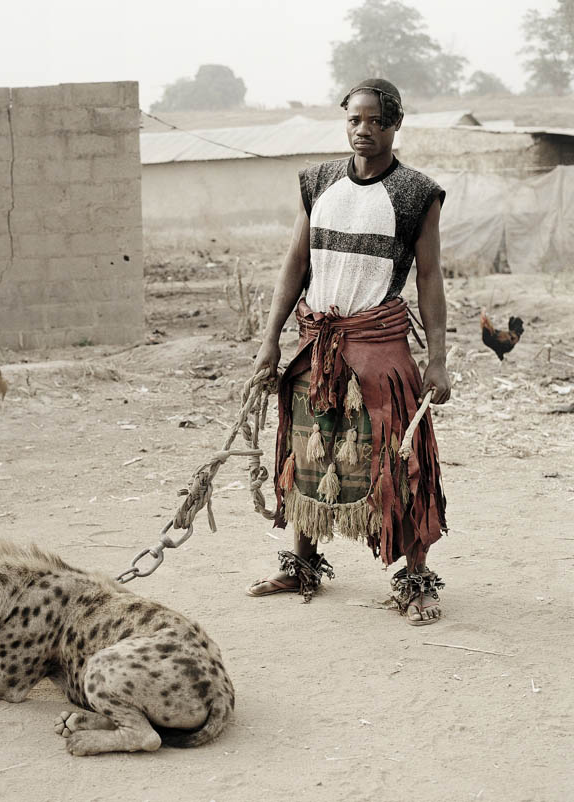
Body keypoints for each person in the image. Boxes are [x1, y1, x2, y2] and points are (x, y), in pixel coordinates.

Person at [246, 78, 451, 625]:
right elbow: (296, 263)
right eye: (355, 120)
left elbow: (430, 277)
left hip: (379, 345)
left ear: (396, 125)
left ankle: (415, 580)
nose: (364, 130)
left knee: (399, 461)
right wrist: (270, 339)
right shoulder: (317, 182)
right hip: (317, 343)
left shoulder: (417, 194)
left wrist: (437, 358)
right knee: (308, 452)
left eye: (376, 121)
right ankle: (302, 565)